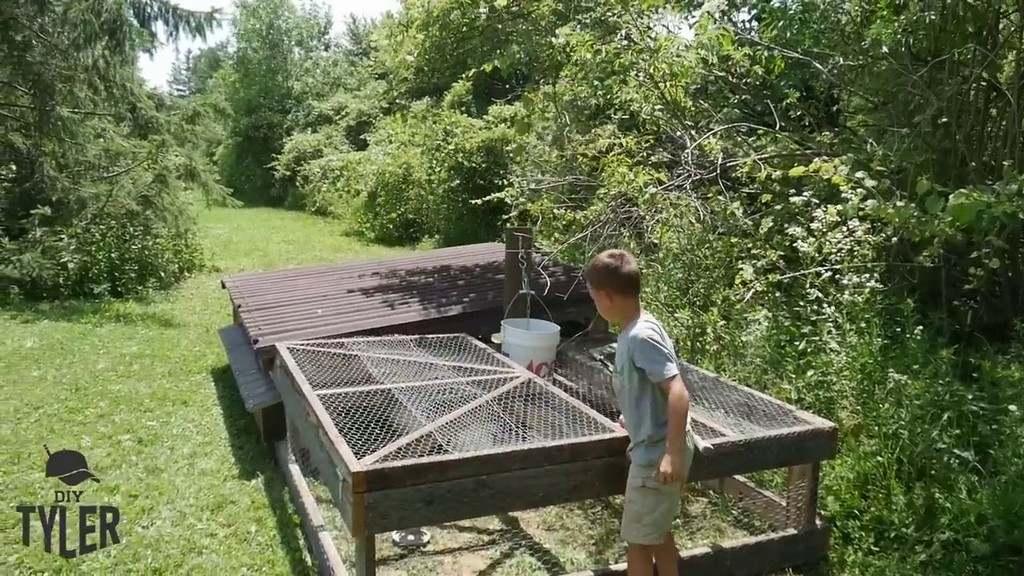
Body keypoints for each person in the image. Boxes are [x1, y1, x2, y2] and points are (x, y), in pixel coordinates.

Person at [584, 248, 694, 576]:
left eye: (594, 298)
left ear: (606, 296)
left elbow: (677, 392)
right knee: (655, 533)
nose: (595, 305)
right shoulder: (634, 328)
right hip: (652, 444)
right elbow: (648, 390)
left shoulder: (641, 335)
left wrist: (671, 454)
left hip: (655, 455)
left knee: (638, 541)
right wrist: (633, 418)